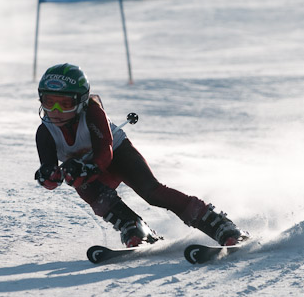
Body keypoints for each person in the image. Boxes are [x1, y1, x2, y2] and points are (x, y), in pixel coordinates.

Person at [34, 63, 247, 248]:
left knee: (152, 192)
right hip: (93, 168)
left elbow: (104, 153)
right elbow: (50, 168)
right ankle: (132, 226)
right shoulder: (45, 131)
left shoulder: (93, 113)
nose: (55, 111)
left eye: (65, 104)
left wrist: (87, 168)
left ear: (81, 102)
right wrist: (49, 176)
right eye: (48, 101)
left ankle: (218, 223)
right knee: (78, 179)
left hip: (116, 154)